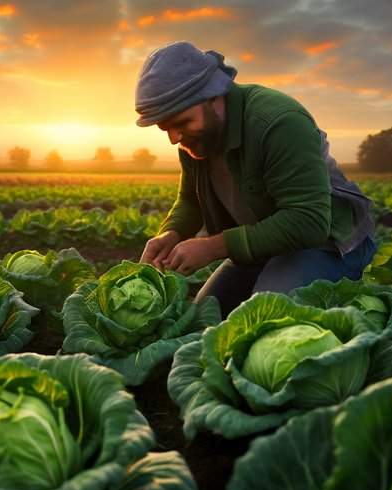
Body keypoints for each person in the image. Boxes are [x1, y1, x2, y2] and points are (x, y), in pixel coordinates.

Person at [136, 41, 376, 318]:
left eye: (182, 123)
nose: (174, 138)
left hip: (327, 244)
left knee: (262, 318)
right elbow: (191, 202)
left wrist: (213, 247)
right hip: (263, 242)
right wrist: (172, 234)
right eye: (166, 128)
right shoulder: (197, 140)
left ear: (213, 96)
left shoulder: (279, 122)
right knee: (203, 319)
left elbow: (308, 221)